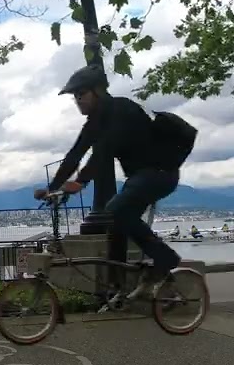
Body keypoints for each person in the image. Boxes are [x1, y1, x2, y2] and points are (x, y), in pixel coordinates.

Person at [35, 65, 183, 297]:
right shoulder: (95, 122)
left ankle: (166, 259)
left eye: (81, 94)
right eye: (75, 96)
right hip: (139, 177)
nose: (78, 100)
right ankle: (118, 287)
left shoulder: (122, 109)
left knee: (115, 209)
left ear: (97, 91)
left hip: (160, 173)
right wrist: (51, 188)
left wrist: (81, 182)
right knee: (116, 221)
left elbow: (104, 151)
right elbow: (75, 154)